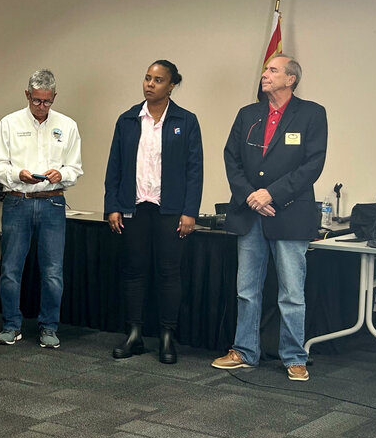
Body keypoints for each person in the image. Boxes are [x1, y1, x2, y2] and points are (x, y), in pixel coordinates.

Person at [212, 55, 327, 381]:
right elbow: (231, 157)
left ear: (291, 79)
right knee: (246, 289)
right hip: (251, 213)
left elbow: (312, 164)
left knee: (291, 293)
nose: (265, 74)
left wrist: (270, 193)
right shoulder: (248, 114)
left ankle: (294, 356)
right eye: (266, 69)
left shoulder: (311, 114)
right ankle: (245, 351)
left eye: (273, 70)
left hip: (289, 213)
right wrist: (251, 195)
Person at [104, 60, 203, 364]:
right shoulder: (128, 119)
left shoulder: (185, 121)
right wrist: (113, 205)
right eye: (147, 78)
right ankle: (134, 334)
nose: (150, 84)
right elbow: (115, 167)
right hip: (134, 208)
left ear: (171, 85)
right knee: (134, 271)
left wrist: (190, 212)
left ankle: (167, 336)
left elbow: (194, 171)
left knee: (169, 273)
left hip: (170, 211)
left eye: (158, 80)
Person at [0, 69, 83, 348]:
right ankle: (11, 325)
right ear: (27, 95)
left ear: (54, 97)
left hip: (52, 201)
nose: (42, 107)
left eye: (48, 102)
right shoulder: (9, 123)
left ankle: (49, 326)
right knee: (10, 269)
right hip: (18, 201)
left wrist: (61, 175)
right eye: (37, 101)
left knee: (52, 271)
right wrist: (19, 174)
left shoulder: (68, 126)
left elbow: (75, 168)